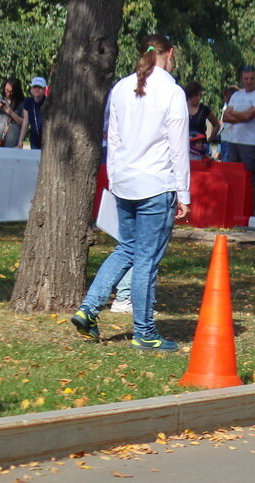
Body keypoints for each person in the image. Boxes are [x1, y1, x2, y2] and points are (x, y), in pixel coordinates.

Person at [70, 34, 190, 352]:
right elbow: (179, 148)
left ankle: (88, 309)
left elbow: (114, 137)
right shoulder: (172, 92)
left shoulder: (121, 87)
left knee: (127, 249)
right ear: (170, 53)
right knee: (147, 260)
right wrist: (184, 193)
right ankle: (145, 331)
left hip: (125, 182)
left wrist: (114, 178)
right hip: (156, 184)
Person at [222, 65, 255, 196]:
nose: (249, 81)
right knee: (232, 176)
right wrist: (242, 115)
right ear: (242, 79)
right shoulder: (236, 95)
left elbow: (249, 116)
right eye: (246, 78)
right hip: (233, 140)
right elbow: (225, 117)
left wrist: (235, 114)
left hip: (249, 142)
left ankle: (251, 207)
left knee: (250, 177)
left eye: (251, 78)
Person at [185, 81, 220, 159]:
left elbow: (216, 125)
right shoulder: (182, 107)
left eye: (200, 96)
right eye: (196, 95)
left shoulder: (204, 109)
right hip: (185, 145)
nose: (198, 98)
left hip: (201, 146)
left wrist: (210, 139)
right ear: (190, 95)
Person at [0, 77, 25, 148]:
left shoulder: (21, 103)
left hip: (12, 139)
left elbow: (24, 122)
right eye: (6, 90)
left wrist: (11, 113)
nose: (8, 93)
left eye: (11, 91)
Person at [20, 77, 47, 149]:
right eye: (35, 87)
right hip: (34, 138)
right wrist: (20, 141)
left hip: (46, 137)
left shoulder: (48, 102)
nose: (37, 89)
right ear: (31, 89)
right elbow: (26, 122)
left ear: (44, 89)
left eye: (40, 87)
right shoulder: (28, 102)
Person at [216, 85, 238, 161]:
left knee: (226, 163)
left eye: (225, 97)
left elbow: (225, 120)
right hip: (226, 139)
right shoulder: (231, 108)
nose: (224, 99)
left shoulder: (232, 109)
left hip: (229, 139)